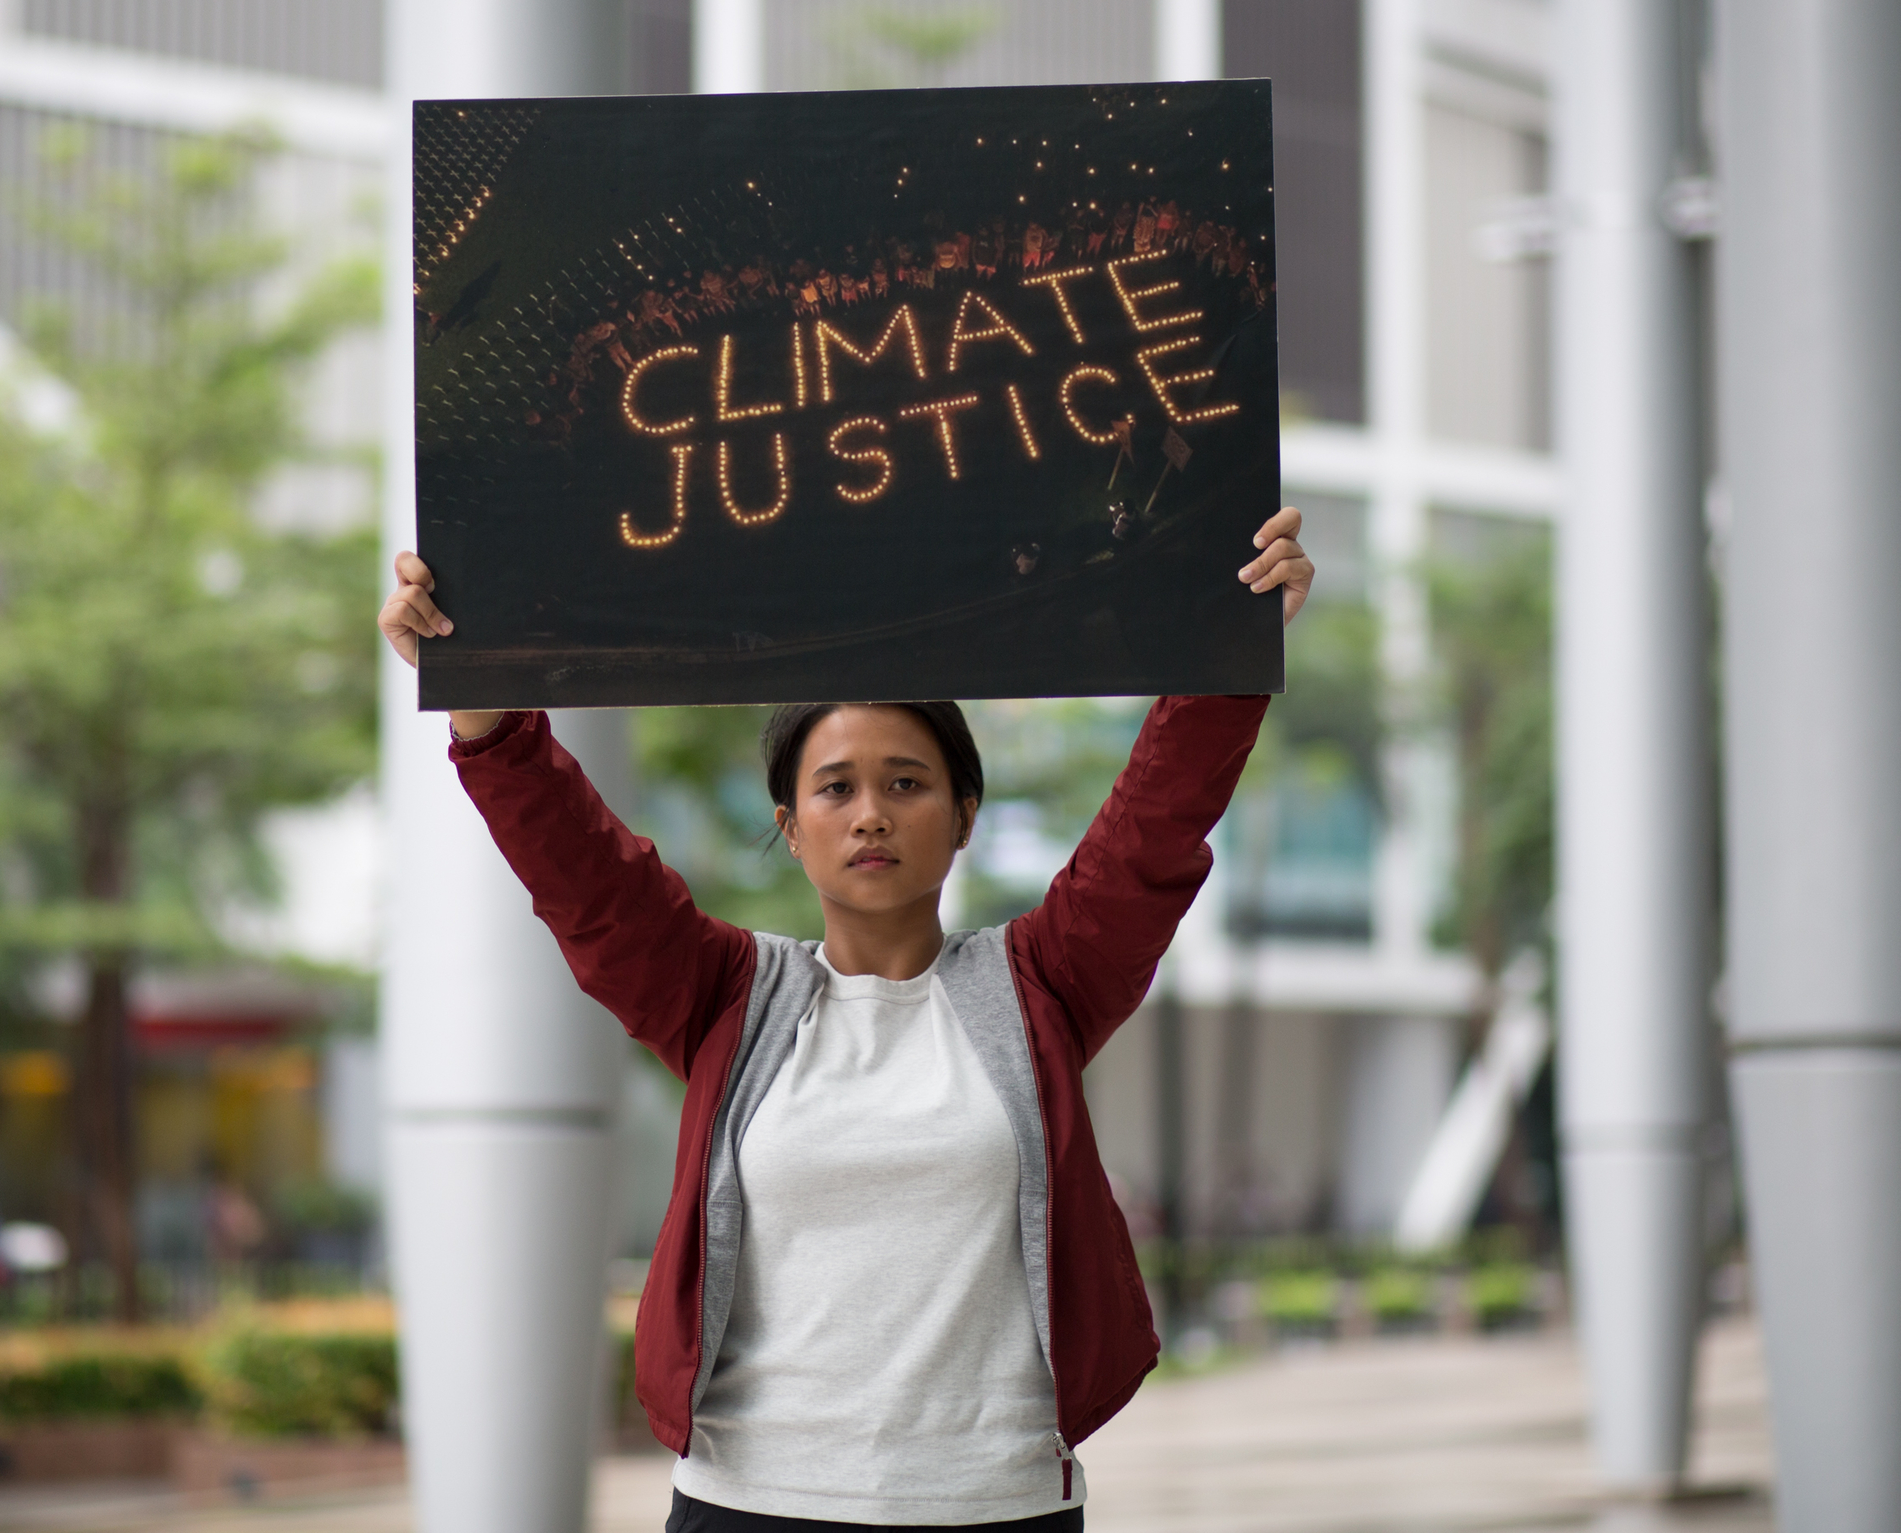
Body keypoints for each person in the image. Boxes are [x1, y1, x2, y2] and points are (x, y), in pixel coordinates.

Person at [377, 510, 1313, 1532]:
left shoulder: (1040, 984)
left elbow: (1152, 831)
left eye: (906, 783)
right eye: (836, 787)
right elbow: (587, 880)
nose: (870, 811)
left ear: (962, 814)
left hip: (995, 1507)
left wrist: (1233, 636)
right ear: (790, 826)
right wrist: (485, 712)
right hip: (749, 1504)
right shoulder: (722, 994)